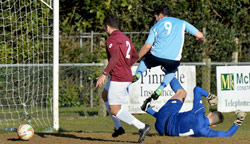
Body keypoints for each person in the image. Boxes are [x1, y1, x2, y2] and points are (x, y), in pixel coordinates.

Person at [96, 14, 150, 143]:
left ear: (107, 26)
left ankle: (142, 127)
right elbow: (135, 56)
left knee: (115, 109)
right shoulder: (126, 38)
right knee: (105, 95)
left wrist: (104, 74)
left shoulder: (111, 39)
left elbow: (114, 57)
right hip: (123, 74)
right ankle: (118, 127)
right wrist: (126, 67)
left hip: (119, 77)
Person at [133, 4, 204, 100]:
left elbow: (147, 46)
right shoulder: (182, 23)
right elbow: (200, 36)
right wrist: (200, 40)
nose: (156, 19)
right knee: (172, 70)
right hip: (173, 60)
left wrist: (135, 58)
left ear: (160, 15)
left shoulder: (155, 27)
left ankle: (138, 74)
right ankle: (160, 89)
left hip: (156, 56)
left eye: (156, 17)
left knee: (145, 60)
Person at [141, 77, 246, 137]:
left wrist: (209, 96)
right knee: (175, 120)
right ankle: (148, 109)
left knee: (182, 93)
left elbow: (196, 89)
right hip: (162, 130)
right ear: (213, 125)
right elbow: (227, 135)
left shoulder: (200, 111)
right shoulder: (206, 132)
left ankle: (168, 71)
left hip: (164, 116)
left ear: (209, 114)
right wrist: (238, 121)